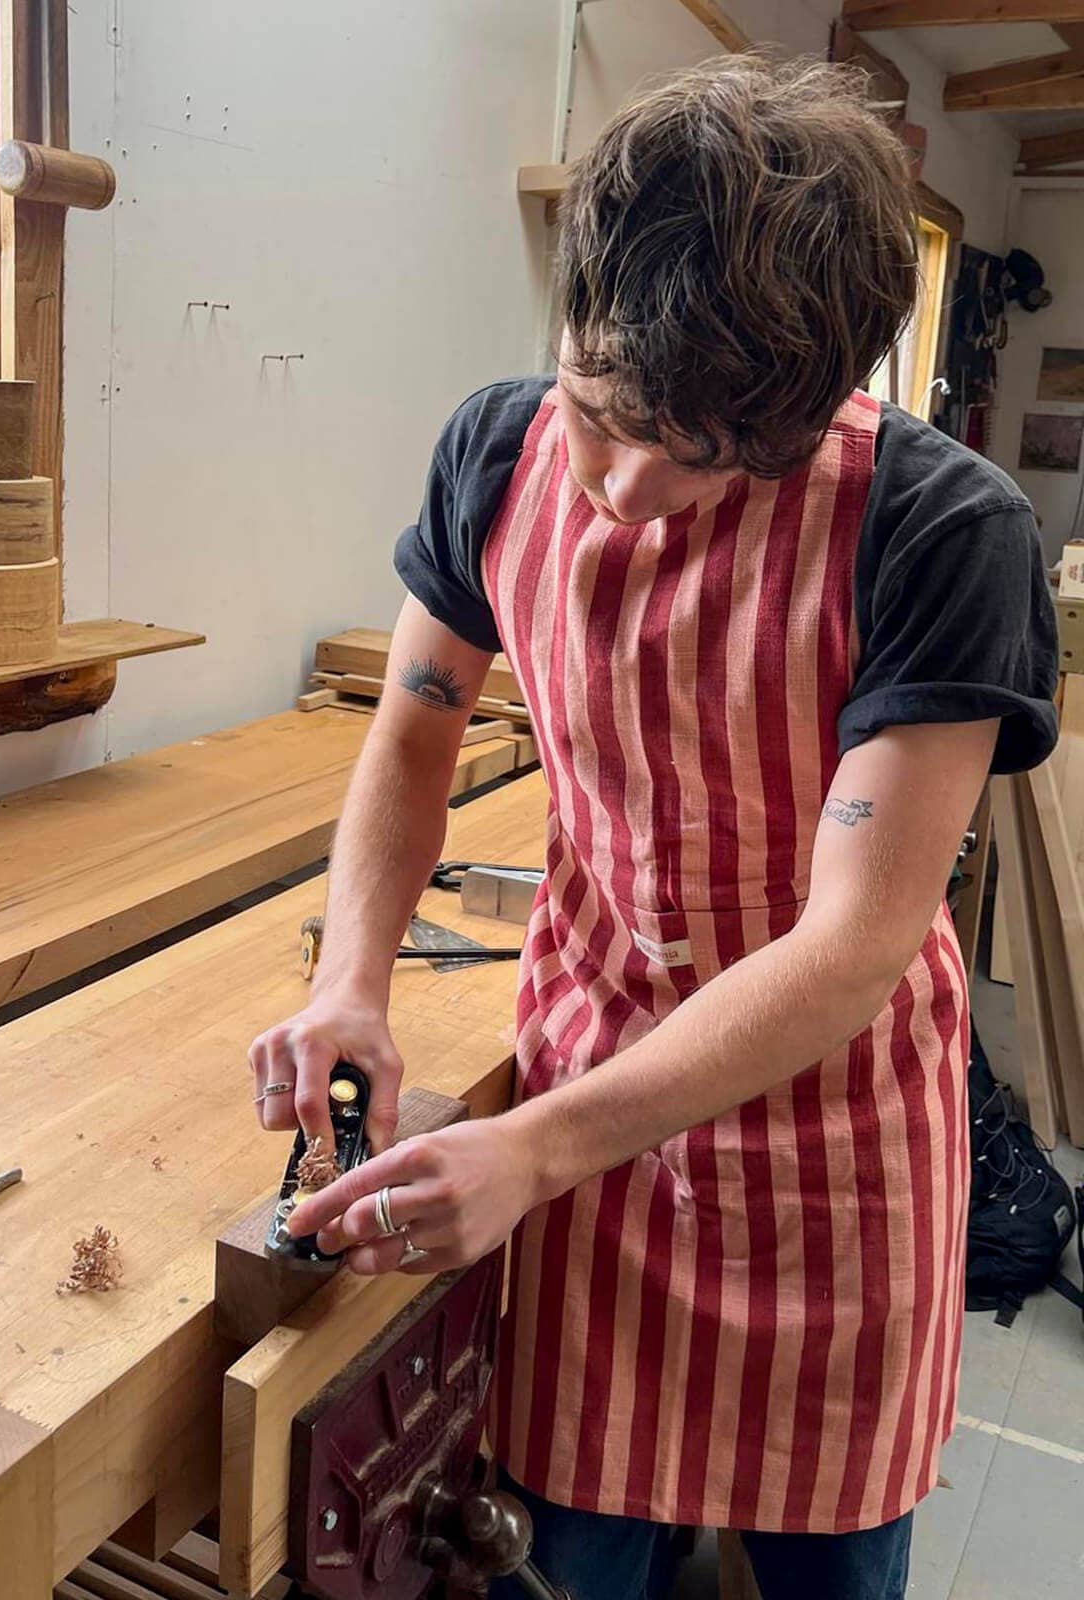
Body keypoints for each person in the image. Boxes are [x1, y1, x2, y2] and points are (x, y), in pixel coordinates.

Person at [249, 55, 1059, 1600]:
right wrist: (350, 979)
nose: (617, 488)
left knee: (832, 1569)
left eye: (688, 455)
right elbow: (415, 732)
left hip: (840, 1147)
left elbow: (855, 945)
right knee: (566, 1556)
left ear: (811, 406)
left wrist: (532, 1154)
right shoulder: (495, 453)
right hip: (591, 1081)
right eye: (597, 412)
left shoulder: (949, 531)